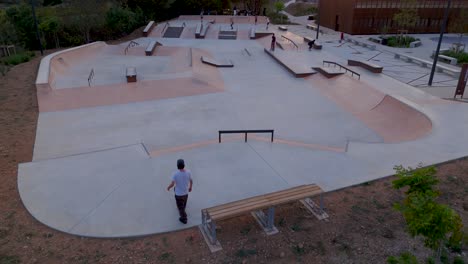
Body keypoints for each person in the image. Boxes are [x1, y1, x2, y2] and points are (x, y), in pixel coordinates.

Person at [167, 159, 193, 224]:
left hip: (178, 194)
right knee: (184, 203)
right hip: (185, 193)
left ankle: (184, 218)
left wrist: (168, 187)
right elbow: (191, 181)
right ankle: (182, 209)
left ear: (177, 166)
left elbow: (172, 184)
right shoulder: (188, 172)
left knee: (180, 207)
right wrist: (190, 187)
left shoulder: (175, 174)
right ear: (184, 165)